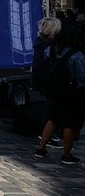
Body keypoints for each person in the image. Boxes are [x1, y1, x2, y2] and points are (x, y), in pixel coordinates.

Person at [35, 22, 85, 165]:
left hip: (55, 90)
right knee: (71, 124)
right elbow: (82, 79)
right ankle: (66, 154)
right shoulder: (77, 56)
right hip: (73, 93)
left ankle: (41, 148)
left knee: (53, 118)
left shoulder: (50, 49)